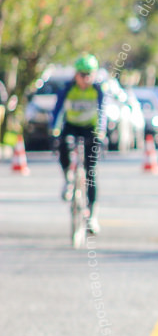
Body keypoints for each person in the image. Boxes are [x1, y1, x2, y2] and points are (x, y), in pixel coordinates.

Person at [52, 55, 106, 234]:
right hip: (72, 126)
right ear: (75, 75)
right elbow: (57, 110)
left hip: (90, 128)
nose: (85, 78)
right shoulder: (68, 88)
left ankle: (92, 215)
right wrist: (55, 130)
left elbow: (103, 113)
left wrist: (101, 131)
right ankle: (68, 176)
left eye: (89, 74)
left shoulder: (98, 90)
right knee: (63, 145)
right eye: (82, 74)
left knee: (91, 172)